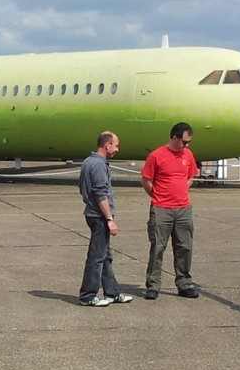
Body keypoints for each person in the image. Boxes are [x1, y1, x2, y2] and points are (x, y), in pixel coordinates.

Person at [140, 122, 202, 299]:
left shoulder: (187, 155)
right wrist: (158, 196)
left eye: (189, 142)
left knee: (184, 247)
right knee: (158, 247)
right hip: (162, 208)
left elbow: (190, 177)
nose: (186, 145)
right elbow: (146, 180)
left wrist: (182, 190)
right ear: (174, 138)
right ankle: (153, 285)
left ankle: (184, 284)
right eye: (184, 142)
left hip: (183, 208)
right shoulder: (156, 156)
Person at [78, 131, 131, 306]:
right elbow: (101, 194)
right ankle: (88, 296)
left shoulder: (88, 162)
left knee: (105, 255)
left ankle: (112, 292)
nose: (117, 149)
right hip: (99, 216)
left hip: (91, 213)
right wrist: (109, 219)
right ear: (107, 145)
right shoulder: (99, 165)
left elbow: (82, 188)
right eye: (116, 145)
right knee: (97, 257)